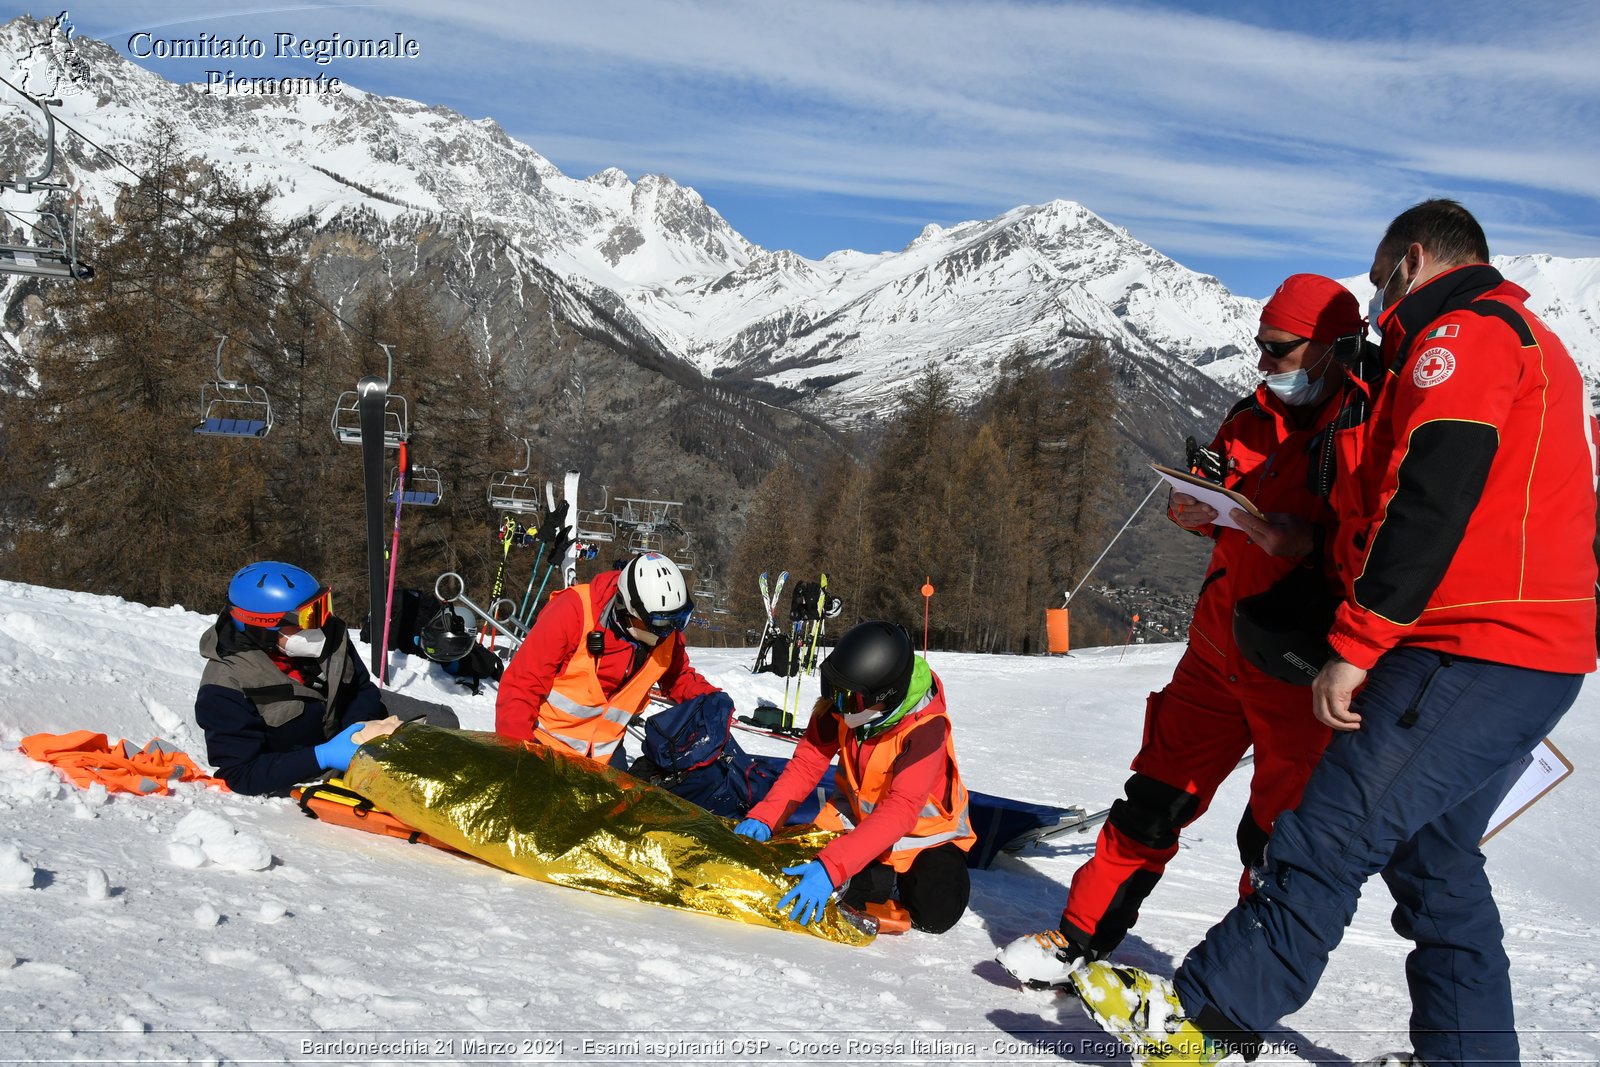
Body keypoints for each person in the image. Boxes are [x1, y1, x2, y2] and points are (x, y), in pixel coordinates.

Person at [1070, 199, 1597, 1067]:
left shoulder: (1460, 336)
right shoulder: (1534, 340)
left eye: (1383, 272)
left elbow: (1431, 497)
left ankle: (1201, 1017)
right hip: (1538, 652)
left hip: (1469, 645)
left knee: (1327, 833)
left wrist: (1356, 643)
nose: (1379, 297)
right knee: (1436, 867)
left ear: (1414, 258)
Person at [998, 274, 1367, 987]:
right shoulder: (1252, 413)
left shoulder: (1364, 426)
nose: (1265, 363)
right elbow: (1217, 487)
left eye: (1279, 350)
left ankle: (1235, 988)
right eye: (1259, 346)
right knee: (1153, 800)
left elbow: (1384, 540)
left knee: (1273, 838)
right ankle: (1078, 935)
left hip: (1300, 665)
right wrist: (1192, 506)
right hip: (1216, 649)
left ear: (1329, 348)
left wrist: (1302, 543)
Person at [735, 621, 976, 934]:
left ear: (886, 696)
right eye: (832, 691)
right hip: (861, 823)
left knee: (935, 913)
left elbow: (902, 809)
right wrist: (767, 817)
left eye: (849, 700)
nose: (838, 706)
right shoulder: (843, 703)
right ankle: (876, 875)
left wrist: (833, 866)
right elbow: (808, 763)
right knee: (812, 880)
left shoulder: (927, 728)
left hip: (924, 835)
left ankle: (905, 876)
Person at [495, 551, 720, 764]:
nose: (665, 633)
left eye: (676, 622)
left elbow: (678, 675)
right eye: (657, 624)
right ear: (627, 610)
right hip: (545, 745)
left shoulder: (667, 633)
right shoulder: (573, 611)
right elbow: (522, 685)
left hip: (604, 755)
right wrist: (517, 757)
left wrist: (712, 700)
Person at [197, 561, 391, 795]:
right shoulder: (225, 686)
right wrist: (323, 756)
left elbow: (362, 689)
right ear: (263, 627)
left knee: (442, 724)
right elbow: (241, 774)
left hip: (364, 735)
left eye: (322, 608)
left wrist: (355, 733)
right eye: (309, 617)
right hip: (306, 770)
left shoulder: (330, 634)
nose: (320, 625)